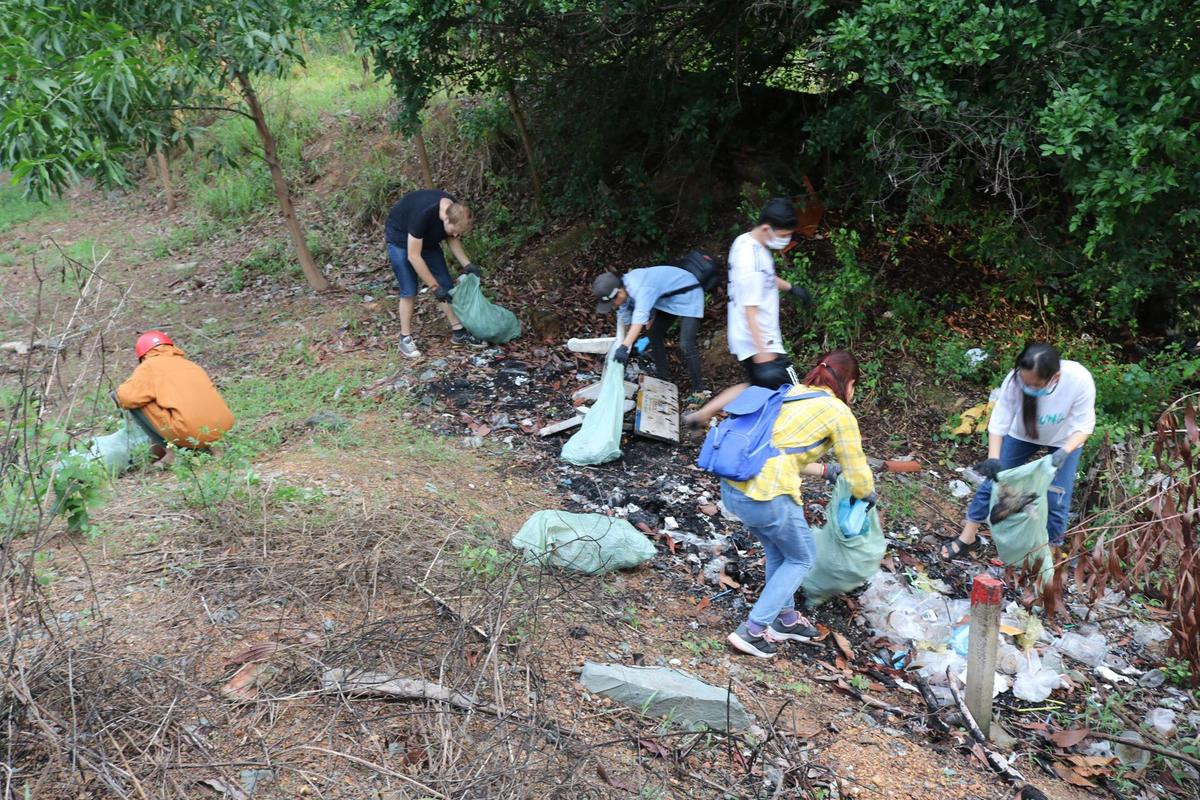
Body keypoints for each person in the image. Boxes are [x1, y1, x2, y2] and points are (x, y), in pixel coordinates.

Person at [721, 350, 875, 658]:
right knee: (803, 557)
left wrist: (826, 470)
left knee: (781, 550)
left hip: (734, 488)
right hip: (768, 495)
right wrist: (866, 492)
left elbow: (779, 449)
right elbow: (857, 470)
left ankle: (786, 618)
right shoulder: (838, 412)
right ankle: (752, 630)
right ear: (849, 383)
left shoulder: (789, 394)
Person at [941, 342, 1095, 561]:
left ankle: (1048, 555)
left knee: (1057, 496)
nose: (1028, 387)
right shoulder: (1014, 380)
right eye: (1025, 382)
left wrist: (1063, 453)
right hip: (1022, 434)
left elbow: (1084, 427)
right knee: (994, 482)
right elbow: (1000, 420)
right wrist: (994, 459)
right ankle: (967, 538)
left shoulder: (1079, 380)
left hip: (1065, 440)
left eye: (1035, 384)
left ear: (1055, 378)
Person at [685, 197, 812, 426]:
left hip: (746, 336)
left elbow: (765, 276)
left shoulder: (745, 242)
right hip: (762, 337)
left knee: (756, 387)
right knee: (793, 390)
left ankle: (702, 415)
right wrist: (764, 353)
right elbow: (750, 310)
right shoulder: (752, 260)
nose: (786, 240)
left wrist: (791, 288)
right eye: (783, 235)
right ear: (766, 228)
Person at [384, 189, 483, 358]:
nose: (456, 234)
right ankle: (405, 338)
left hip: (427, 240)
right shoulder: (422, 215)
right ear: (445, 218)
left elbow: (452, 238)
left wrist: (467, 265)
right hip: (400, 239)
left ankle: (459, 332)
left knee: (446, 284)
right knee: (409, 289)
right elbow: (414, 256)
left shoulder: (454, 209)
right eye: (454, 230)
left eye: (459, 232)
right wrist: (434, 287)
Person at [116, 331, 235, 463]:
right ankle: (216, 446)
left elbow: (126, 397)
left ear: (143, 355)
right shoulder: (191, 365)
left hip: (190, 432)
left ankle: (172, 452)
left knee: (135, 400)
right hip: (222, 427)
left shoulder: (149, 366)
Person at [591, 265, 706, 394]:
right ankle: (664, 379)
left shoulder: (640, 288)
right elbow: (626, 317)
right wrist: (629, 345)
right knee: (654, 334)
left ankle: (699, 390)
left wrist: (624, 347)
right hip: (669, 300)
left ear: (619, 292)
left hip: (689, 294)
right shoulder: (625, 286)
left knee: (686, 344)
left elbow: (639, 318)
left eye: (612, 302)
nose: (613, 306)